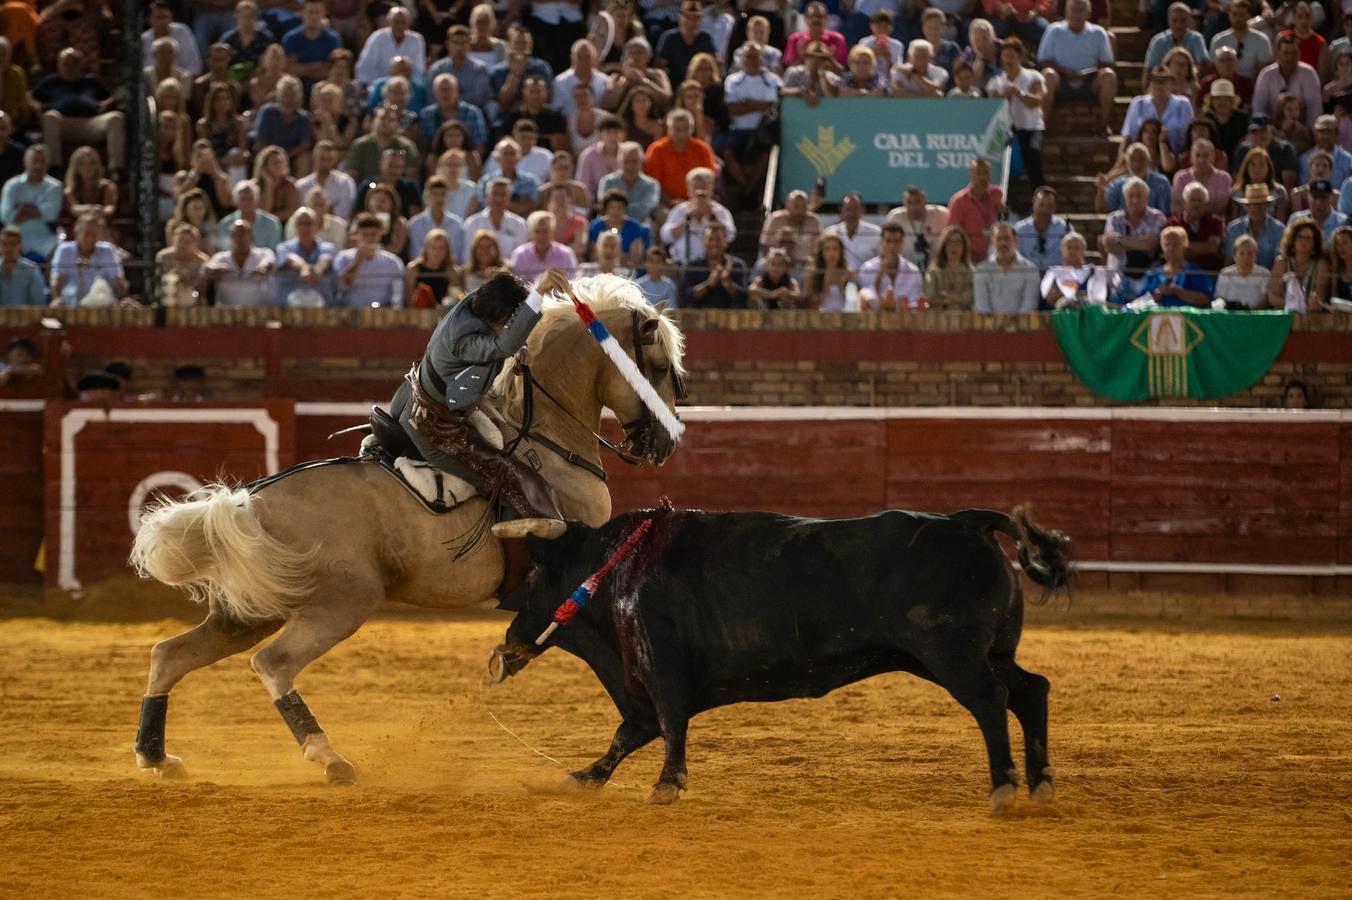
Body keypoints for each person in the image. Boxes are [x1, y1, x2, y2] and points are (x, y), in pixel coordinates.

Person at [387, 268, 568, 519]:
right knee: (511, 480)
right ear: (501, 318)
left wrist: (520, 347)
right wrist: (538, 292)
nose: (511, 328)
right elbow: (503, 344)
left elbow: (506, 339)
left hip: (427, 401)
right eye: (509, 323)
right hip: (436, 429)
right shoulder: (463, 338)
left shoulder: (475, 302)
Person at [33, 48, 124, 173]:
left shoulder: (91, 81)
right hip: (64, 124)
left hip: (91, 123)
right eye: (66, 64)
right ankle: (54, 167)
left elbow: (109, 97)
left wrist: (107, 104)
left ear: (81, 64)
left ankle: (116, 169)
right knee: (50, 116)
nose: (70, 67)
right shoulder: (50, 82)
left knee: (116, 117)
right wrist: (38, 108)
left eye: (74, 63)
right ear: (59, 65)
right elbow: (31, 98)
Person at [1036, 0, 1117, 134]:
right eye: (1073, 10)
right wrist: (1065, 71)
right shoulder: (1054, 30)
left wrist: (1088, 72)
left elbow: (1107, 63)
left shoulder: (1099, 33)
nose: (1076, 14)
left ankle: (1104, 124)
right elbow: (1043, 61)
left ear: (1088, 14)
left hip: (1090, 82)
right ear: (1066, 12)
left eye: (1081, 11)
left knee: (1109, 75)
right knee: (1048, 74)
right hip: (1061, 81)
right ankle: (1042, 127)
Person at [986, 37, 1046, 189]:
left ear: (1020, 57)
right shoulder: (996, 81)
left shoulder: (1034, 77)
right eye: (1005, 56)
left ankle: (1038, 195)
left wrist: (1019, 93)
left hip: (1031, 128)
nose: (1008, 60)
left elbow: (1036, 101)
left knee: (1032, 158)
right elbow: (991, 104)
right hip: (1005, 129)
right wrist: (1003, 96)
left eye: (1012, 56)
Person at [0, 144, 62, 261]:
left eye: (42, 161)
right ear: (25, 162)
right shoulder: (11, 185)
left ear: (47, 163)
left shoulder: (55, 187)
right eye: (34, 161)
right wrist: (37, 210)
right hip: (14, 239)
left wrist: (21, 208)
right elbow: (6, 217)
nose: (38, 165)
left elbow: (51, 215)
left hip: (45, 240)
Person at [644, 108, 717, 207]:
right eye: (677, 129)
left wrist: (697, 201)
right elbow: (653, 183)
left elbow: (709, 180)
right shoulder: (657, 150)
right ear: (669, 129)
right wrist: (669, 201)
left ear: (692, 129)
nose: (682, 134)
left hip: (699, 201)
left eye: (686, 129)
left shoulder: (702, 149)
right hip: (664, 203)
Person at [1100, 176, 1167, 283]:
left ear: (1147, 197)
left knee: (1149, 300)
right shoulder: (1114, 218)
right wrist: (1141, 243)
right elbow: (1109, 246)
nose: (1135, 200)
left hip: (1148, 282)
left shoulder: (1158, 217)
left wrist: (1119, 238)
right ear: (1125, 198)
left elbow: (1150, 245)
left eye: (1139, 195)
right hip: (1118, 280)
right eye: (1131, 196)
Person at [660, 173, 736, 266]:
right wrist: (688, 218)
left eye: (703, 186)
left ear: (711, 188)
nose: (699, 191)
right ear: (688, 189)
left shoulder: (720, 211)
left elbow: (730, 235)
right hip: (682, 264)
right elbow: (665, 236)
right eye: (696, 186)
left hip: (711, 265)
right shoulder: (679, 211)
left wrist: (711, 216)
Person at [334, 212, 405, 307]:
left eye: (373, 234)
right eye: (365, 235)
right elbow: (340, 287)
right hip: (350, 315)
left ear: (380, 234)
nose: (369, 239)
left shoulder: (393, 262)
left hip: (383, 316)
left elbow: (397, 294)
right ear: (357, 235)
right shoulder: (343, 257)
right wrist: (358, 261)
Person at [1135, 226, 1215, 307]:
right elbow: (1139, 303)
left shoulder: (1194, 271)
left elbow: (1205, 300)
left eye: (1176, 244)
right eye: (1167, 244)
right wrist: (1155, 297)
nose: (1171, 249)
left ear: (1185, 246)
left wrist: (1177, 291)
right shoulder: (1153, 274)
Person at [1253, 35, 1321, 127]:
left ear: (1299, 53)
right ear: (1278, 54)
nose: (1290, 57)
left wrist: (1309, 132)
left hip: (1302, 129)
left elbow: (1314, 107)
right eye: (1286, 53)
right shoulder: (1266, 74)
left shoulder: (1309, 73)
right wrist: (1268, 129)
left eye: (1294, 53)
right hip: (1272, 129)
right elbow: (1259, 106)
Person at [204, 218, 275, 307]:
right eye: (234, 234)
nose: (238, 237)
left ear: (251, 236)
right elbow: (207, 269)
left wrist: (262, 268)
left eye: (242, 233)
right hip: (226, 313)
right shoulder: (220, 257)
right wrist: (216, 270)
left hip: (257, 313)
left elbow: (270, 263)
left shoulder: (264, 253)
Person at [946, 157, 1005, 261]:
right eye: (979, 173)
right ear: (971, 174)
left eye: (986, 173)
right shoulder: (959, 201)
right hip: (968, 258)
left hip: (995, 257)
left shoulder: (997, 194)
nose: (983, 177)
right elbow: (953, 233)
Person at [974, 222, 1042, 312]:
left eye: (1007, 238)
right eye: (999, 239)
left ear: (1015, 240)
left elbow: (1029, 305)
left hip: (1022, 324)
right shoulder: (981, 270)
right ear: (992, 241)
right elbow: (982, 305)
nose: (1003, 243)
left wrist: (1014, 324)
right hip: (990, 325)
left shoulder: (1031, 270)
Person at [275, 206, 336, 305]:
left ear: (316, 225)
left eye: (309, 223)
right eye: (301, 224)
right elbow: (290, 258)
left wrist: (318, 270)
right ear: (295, 226)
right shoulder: (283, 247)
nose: (305, 228)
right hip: (289, 308)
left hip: (323, 308)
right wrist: (303, 267)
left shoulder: (328, 247)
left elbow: (325, 258)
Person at [859, 223, 924, 311]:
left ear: (902, 243)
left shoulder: (913, 271)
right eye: (888, 241)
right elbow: (866, 302)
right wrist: (879, 276)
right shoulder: (867, 269)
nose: (892, 246)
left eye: (896, 241)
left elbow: (916, 303)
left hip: (906, 322)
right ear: (881, 242)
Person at [1267, 218, 1328, 310]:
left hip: (1311, 318)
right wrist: (1293, 306)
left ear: (1314, 242)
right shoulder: (1281, 262)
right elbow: (1272, 297)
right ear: (1292, 239)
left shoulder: (1321, 265)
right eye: (1299, 237)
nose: (1303, 241)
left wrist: (1305, 306)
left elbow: (1320, 297)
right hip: (1284, 316)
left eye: (1308, 238)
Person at [683, 221, 746, 309]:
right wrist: (709, 284)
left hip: (731, 318)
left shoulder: (736, 265)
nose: (714, 243)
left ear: (726, 242)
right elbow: (686, 296)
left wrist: (727, 282)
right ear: (704, 242)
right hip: (699, 318)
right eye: (710, 239)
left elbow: (744, 297)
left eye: (718, 239)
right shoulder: (692, 265)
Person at [356, 6, 425, 86]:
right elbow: (365, 67)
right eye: (396, 22)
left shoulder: (417, 40)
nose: (400, 26)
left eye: (403, 22)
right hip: (379, 86)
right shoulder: (377, 37)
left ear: (409, 23)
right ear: (389, 21)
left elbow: (418, 70)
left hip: (407, 88)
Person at [1167, 182, 1226, 275]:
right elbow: (1172, 251)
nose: (1196, 204)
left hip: (1208, 272)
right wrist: (1203, 247)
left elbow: (1212, 248)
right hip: (1180, 273)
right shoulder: (1172, 224)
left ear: (1206, 204)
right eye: (1192, 200)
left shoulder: (1216, 222)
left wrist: (1183, 246)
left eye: (1200, 200)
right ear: (1184, 202)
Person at [1225, 183, 1287, 269]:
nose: (1259, 208)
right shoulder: (1234, 228)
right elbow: (1229, 261)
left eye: (1263, 204)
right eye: (1254, 204)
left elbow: (1279, 262)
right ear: (1247, 206)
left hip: (1269, 277)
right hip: (1240, 278)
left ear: (1268, 205)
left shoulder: (1279, 229)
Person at [463, 177, 528, 257]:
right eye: (495, 194)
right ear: (487, 196)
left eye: (503, 194)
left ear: (509, 198)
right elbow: (467, 257)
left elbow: (520, 258)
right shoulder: (472, 223)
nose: (499, 199)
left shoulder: (519, 224)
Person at [597, 140, 660, 223]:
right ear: (619, 162)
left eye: (634, 161)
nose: (630, 166)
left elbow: (645, 209)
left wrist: (616, 209)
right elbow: (604, 206)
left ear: (642, 161)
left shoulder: (652, 184)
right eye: (626, 162)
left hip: (639, 227)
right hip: (611, 226)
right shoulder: (608, 182)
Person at [886, 186, 948, 269]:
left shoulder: (941, 214)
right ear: (904, 204)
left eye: (918, 202)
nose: (914, 207)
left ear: (925, 201)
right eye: (909, 203)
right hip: (906, 269)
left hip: (935, 268)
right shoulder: (896, 218)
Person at [1210, 0, 1271, 82]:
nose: (1238, 18)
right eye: (1234, 14)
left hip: (1250, 87)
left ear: (1249, 15)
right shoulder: (1218, 40)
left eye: (1242, 15)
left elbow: (1262, 71)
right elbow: (1214, 68)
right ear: (1229, 15)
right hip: (1225, 87)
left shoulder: (1261, 39)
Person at [1042, 232, 1109, 307]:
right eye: (1069, 247)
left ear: (1084, 250)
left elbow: (1099, 300)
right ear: (1062, 250)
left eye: (1077, 247)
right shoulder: (1053, 273)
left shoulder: (1096, 272)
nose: (1072, 251)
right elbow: (1048, 298)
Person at [510, 210, 579, 282]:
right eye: (537, 231)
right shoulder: (519, 254)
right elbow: (516, 284)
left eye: (545, 231)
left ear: (552, 231)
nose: (541, 236)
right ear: (531, 232)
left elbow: (572, 282)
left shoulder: (566, 254)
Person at [408, 175, 465, 261]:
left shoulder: (457, 223)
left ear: (448, 196)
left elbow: (457, 255)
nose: (439, 198)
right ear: (427, 196)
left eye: (443, 194)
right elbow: (415, 255)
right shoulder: (415, 223)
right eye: (435, 194)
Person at [1016, 186, 1072, 270]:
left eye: (1050, 205)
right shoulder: (1020, 229)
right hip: (1027, 276)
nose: (1045, 209)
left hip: (1056, 276)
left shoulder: (1065, 228)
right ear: (1034, 204)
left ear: (1055, 207)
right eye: (1041, 204)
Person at [297, 139, 356, 220]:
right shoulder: (301, 185)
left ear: (335, 159)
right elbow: (299, 213)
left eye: (329, 159)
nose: (325, 163)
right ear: (314, 157)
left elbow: (344, 212)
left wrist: (316, 208)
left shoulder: (345, 182)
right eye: (322, 158)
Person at [588, 189, 650, 265]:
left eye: (619, 207)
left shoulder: (635, 227)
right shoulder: (596, 226)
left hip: (626, 270)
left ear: (625, 209)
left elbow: (635, 259)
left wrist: (609, 255)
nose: (616, 211)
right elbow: (593, 255)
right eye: (612, 207)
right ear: (605, 209)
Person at [822, 191, 880, 270]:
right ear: (841, 210)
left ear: (862, 210)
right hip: (838, 279)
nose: (851, 213)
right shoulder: (830, 232)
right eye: (848, 209)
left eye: (855, 208)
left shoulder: (876, 233)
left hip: (866, 280)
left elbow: (881, 260)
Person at [219, 180, 282, 251]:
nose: (246, 203)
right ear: (235, 201)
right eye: (243, 199)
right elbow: (225, 250)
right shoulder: (225, 224)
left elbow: (273, 251)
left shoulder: (271, 223)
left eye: (250, 199)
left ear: (257, 200)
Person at [156, 221, 209, 305]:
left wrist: (189, 280)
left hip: (195, 301)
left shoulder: (202, 261)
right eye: (180, 240)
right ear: (174, 241)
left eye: (187, 242)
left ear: (195, 244)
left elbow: (204, 287)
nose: (183, 245)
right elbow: (158, 282)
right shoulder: (163, 257)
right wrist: (172, 275)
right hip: (168, 299)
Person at [924, 226, 976, 310]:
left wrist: (944, 295)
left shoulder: (971, 272)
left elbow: (969, 299)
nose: (953, 246)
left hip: (965, 320)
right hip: (937, 319)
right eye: (949, 242)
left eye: (958, 242)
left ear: (964, 246)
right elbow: (929, 298)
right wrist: (957, 297)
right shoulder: (932, 271)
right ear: (944, 246)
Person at [1214, 233, 1271, 309]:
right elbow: (1220, 298)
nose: (1246, 257)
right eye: (1242, 253)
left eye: (1250, 253)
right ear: (1234, 256)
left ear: (1255, 256)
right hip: (1230, 316)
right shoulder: (1225, 274)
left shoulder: (1265, 274)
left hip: (1255, 316)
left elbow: (1265, 300)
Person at [404, 227, 456, 306]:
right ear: (426, 248)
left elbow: (454, 300)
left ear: (447, 250)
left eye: (441, 248)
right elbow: (408, 300)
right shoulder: (414, 269)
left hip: (444, 315)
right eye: (433, 247)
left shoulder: (451, 272)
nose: (437, 252)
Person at [0, 224, 45, 305]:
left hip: (25, 317)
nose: (8, 248)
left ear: (20, 245)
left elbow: (38, 302)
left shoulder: (31, 269)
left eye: (13, 244)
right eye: (4, 244)